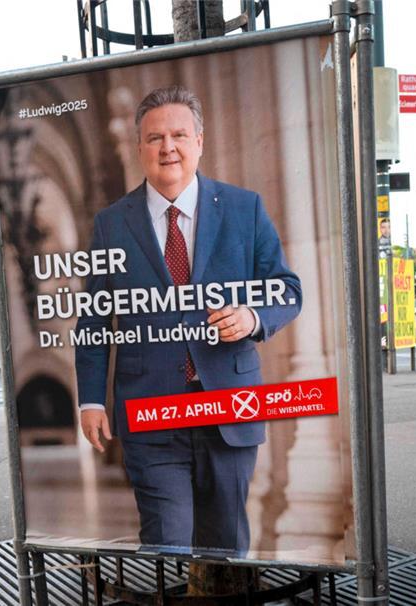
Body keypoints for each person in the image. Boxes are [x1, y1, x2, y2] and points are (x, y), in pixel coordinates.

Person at [74, 85, 302, 554]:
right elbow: (95, 320)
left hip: (229, 407)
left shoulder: (245, 209)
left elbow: (288, 289)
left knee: (226, 553)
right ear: (139, 148)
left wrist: (254, 315)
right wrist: (91, 400)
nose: (167, 147)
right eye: (155, 137)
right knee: (167, 548)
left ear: (200, 141)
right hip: (152, 414)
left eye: (179, 134)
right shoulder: (112, 224)